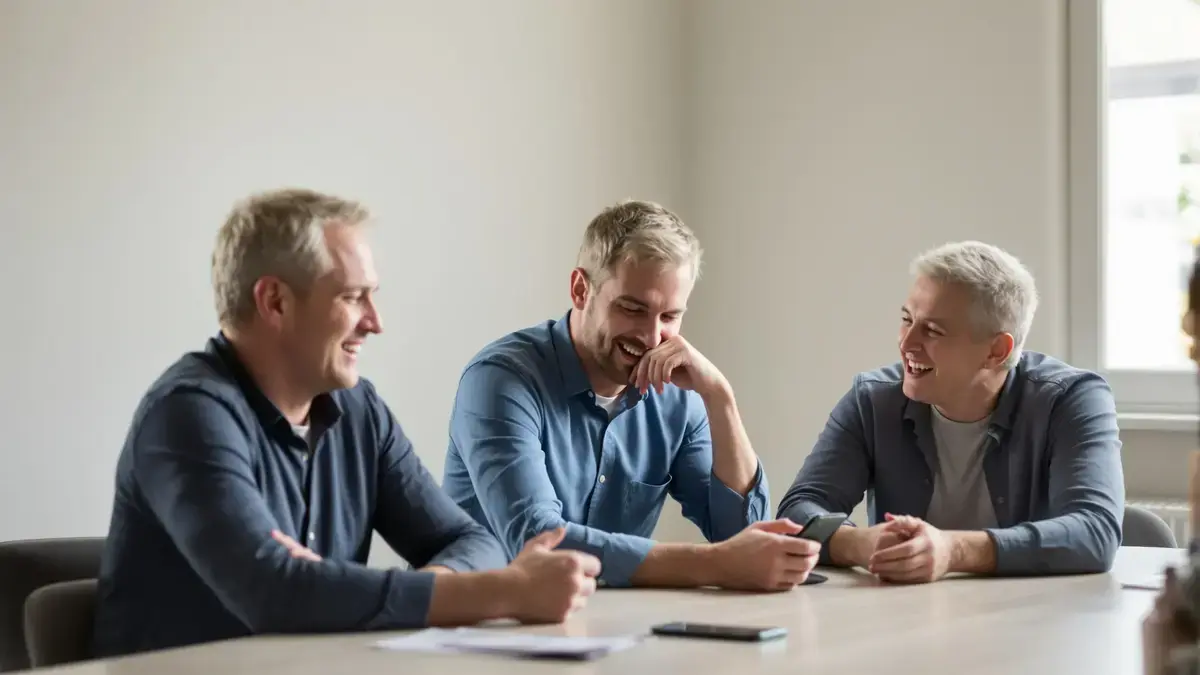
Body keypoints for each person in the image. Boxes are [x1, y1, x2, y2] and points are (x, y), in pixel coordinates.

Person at [92, 189, 600, 658]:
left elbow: (472, 541)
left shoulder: (359, 410)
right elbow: (275, 594)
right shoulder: (187, 414)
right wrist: (504, 592)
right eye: (353, 296)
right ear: (275, 302)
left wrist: (427, 587)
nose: (375, 321)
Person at [441, 199, 820, 591]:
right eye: (633, 309)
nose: (652, 336)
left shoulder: (677, 396)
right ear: (580, 290)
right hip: (485, 627)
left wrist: (719, 397)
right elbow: (539, 540)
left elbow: (740, 535)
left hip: (608, 627)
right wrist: (715, 565)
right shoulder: (501, 380)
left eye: (670, 316)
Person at [777, 240, 1125, 583]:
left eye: (933, 330)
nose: (906, 343)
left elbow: (1094, 530)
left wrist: (952, 550)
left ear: (996, 350)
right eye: (907, 319)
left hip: (1031, 621)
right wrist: (857, 544)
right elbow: (799, 509)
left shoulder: (1071, 400)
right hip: (906, 617)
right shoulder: (873, 400)